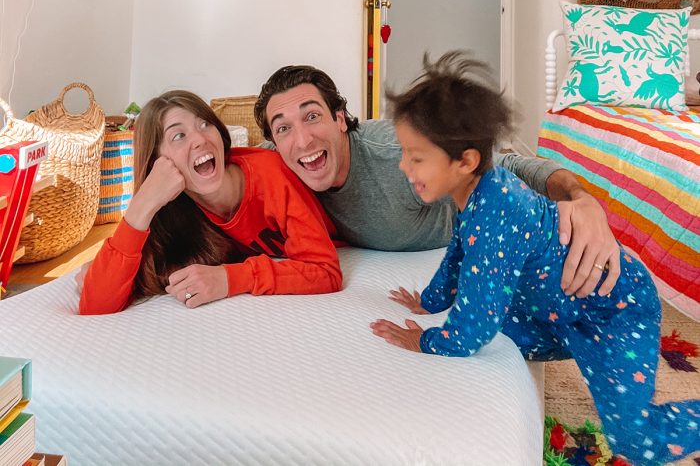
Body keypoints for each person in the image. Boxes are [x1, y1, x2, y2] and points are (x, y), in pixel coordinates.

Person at [369, 53, 699, 466]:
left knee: (636, 441)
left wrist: (426, 338)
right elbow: (460, 250)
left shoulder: (496, 211)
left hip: (614, 311)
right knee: (499, 327)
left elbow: (473, 329)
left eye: (415, 158)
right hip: (558, 307)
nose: (403, 166)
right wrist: (432, 300)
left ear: (465, 161)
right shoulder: (478, 190)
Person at [254, 63, 620, 297]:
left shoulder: (400, 152)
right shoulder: (281, 163)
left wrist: (579, 199)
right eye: (284, 127)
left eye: (312, 116)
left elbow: (511, 166)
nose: (301, 140)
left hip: (488, 221)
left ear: (339, 118)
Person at [79, 90, 341, 315]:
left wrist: (231, 278)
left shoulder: (271, 173)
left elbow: (326, 271)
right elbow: (95, 304)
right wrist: (142, 204)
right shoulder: (171, 209)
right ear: (157, 162)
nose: (201, 139)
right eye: (178, 136)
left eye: (205, 124)